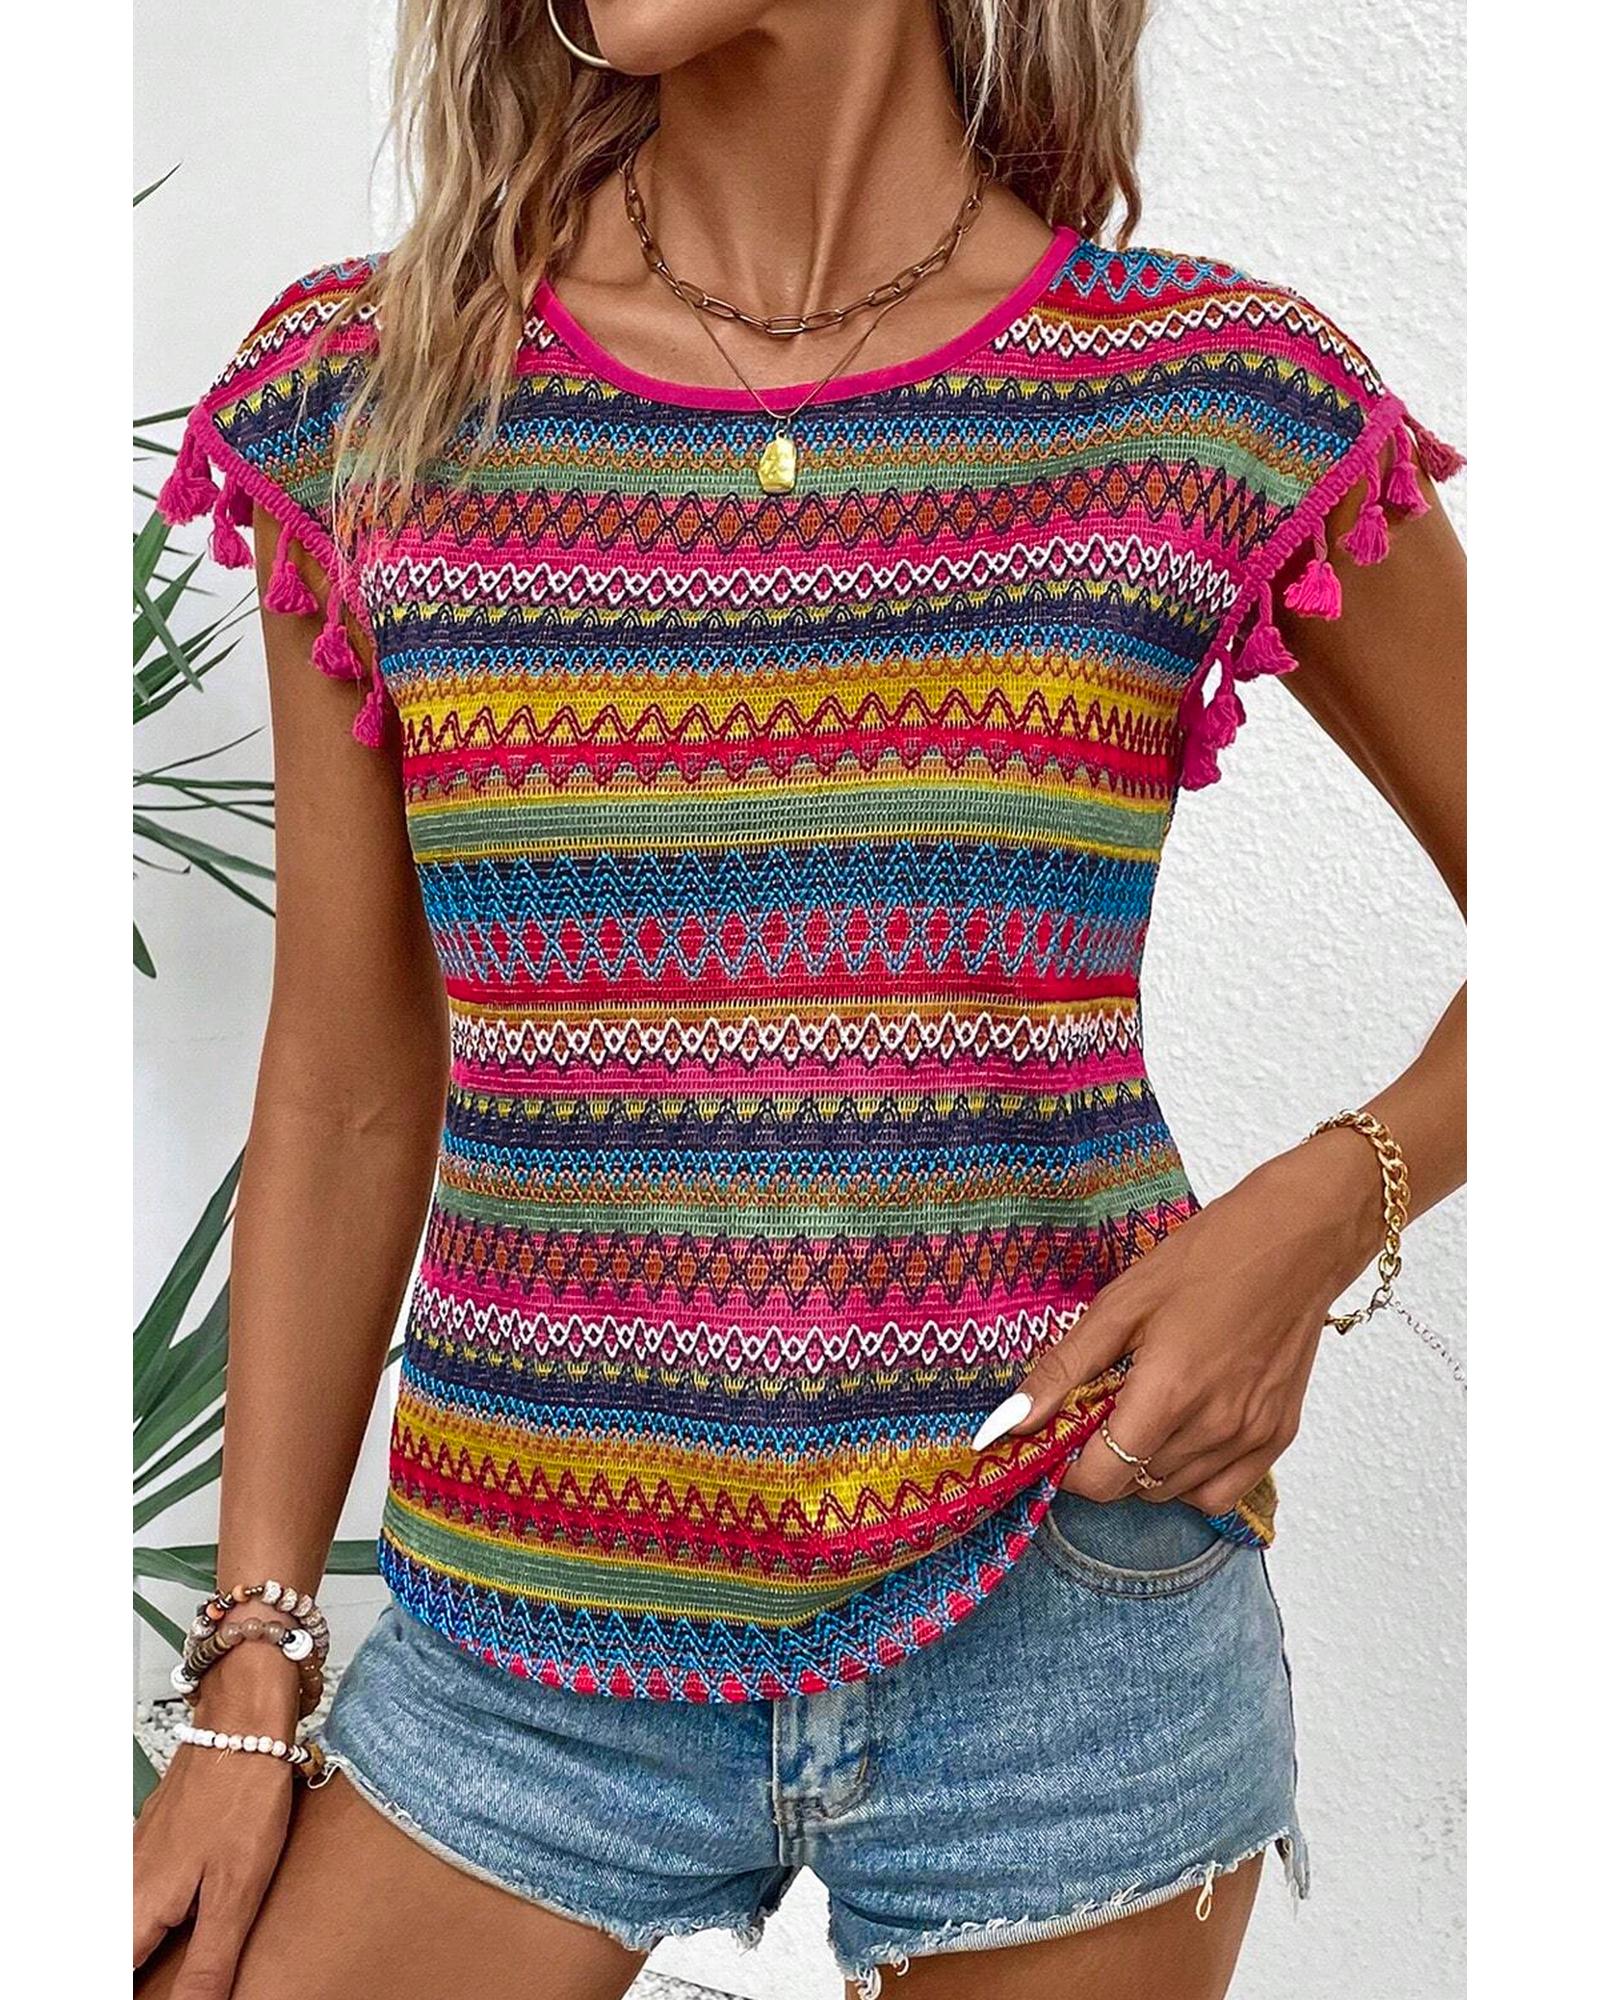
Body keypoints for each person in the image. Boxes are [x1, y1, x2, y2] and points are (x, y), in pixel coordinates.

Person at [133, 3, 1466, 1995]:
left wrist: (1320, 1210)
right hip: (522, 1641)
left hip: (1065, 1605)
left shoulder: (1204, 398)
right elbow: (343, 1085)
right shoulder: (380, 393)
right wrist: (250, 1680)